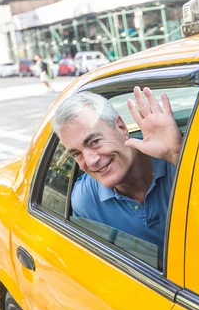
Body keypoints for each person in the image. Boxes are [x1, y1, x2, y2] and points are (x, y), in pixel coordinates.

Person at [52, 87, 182, 257]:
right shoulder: (86, 201)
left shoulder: (178, 160)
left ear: (121, 127)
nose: (91, 160)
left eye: (95, 141)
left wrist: (176, 156)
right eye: (77, 153)